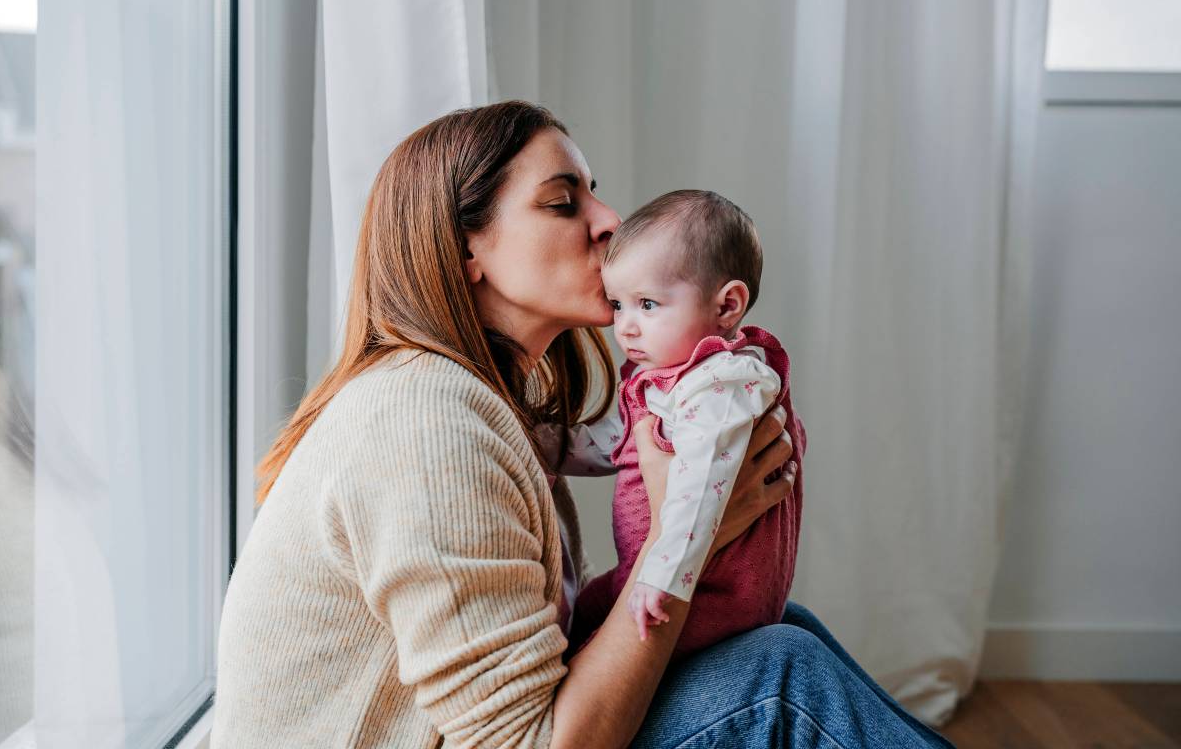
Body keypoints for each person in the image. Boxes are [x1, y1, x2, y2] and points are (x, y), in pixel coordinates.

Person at [210, 100, 955, 748]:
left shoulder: (485, 404)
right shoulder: (426, 425)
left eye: (594, 195)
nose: (609, 221)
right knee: (778, 678)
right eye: (564, 202)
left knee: (779, 633)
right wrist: (681, 542)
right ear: (467, 247)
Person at [539, 189, 805, 659]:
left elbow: (701, 485)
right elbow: (621, 444)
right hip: (657, 572)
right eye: (617, 304)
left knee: (590, 650)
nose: (625, 327)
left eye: (647, 304)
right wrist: (542, 444)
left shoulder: (725, 383)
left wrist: (659, 578)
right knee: (576, 621)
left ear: (727, 307)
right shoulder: (664, 381)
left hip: (709, 595)